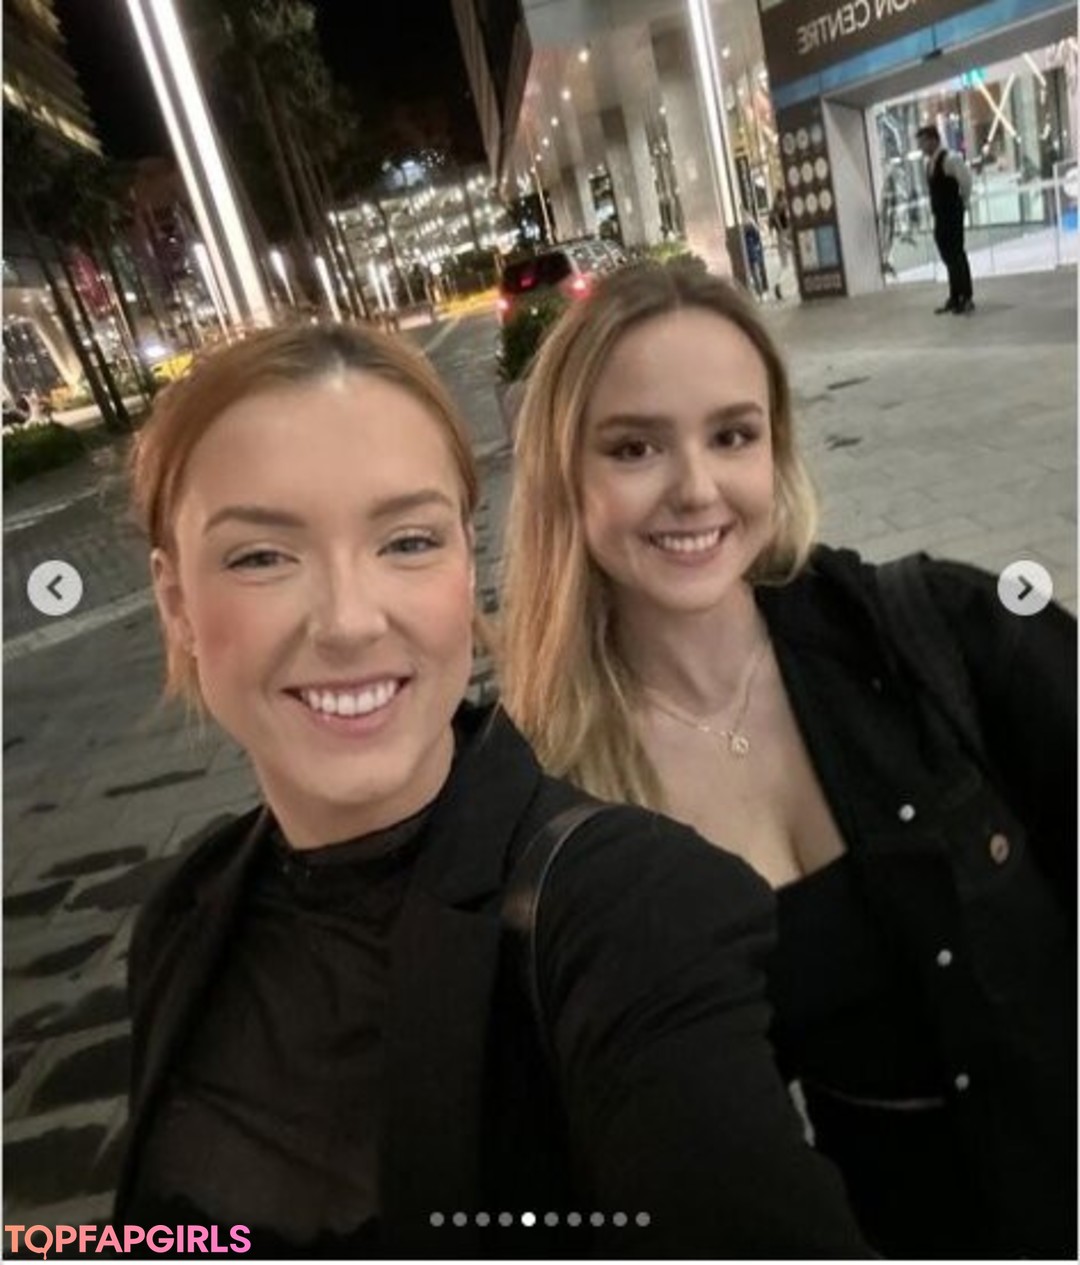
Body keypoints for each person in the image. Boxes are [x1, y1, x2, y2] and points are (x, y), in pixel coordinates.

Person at [112, 322, 870, 1259]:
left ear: (466, 567)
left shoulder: (626, 911)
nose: (350, 620)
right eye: (262, 555)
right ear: (176, 602)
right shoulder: (184, 917)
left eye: (408, 541)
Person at [499, 262, 1076, 1259]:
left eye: (733, 435)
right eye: (634, 447)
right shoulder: (563, 803)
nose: (696, 488)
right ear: (565, 477)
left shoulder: (932, 631)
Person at [916, 123, 975, 314]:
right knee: (947, 255)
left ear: (933, 140)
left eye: (923, 142)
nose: (920, 146)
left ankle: (966, 297)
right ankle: (954, 296)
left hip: (952, 213)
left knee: (957, 254)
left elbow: (966, 181)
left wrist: (962, 203)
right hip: (940, 215)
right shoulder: (930, 163)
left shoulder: (951, 158)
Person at [767, 189, 791, 296]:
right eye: (784, 198)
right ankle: (778, 284)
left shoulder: (774, 212)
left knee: (785, 265)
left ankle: (778, 284)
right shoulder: (782, 210)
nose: (785, 201)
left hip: (781, 238)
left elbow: (771, 228)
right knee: (786, 266)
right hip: (784, 236)